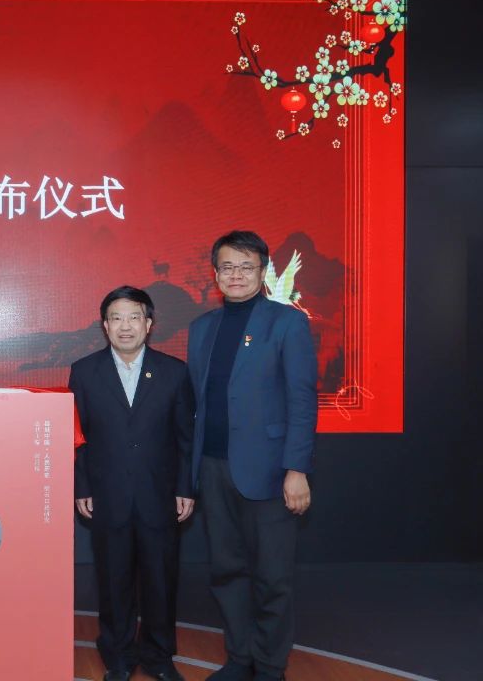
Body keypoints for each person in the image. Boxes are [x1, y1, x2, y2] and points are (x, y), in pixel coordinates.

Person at [187, 231, 317, 681]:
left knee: (272, 577)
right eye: (227, 267)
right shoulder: (202, 328)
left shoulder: (287, 323)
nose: (236, 275)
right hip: (212, 467)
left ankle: (270, 665)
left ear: (262, 272)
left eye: (246, 267)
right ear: (215, 273)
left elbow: (302, 400)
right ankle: (239, 658)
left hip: (270, 471)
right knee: (227, 571)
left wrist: (296, 469)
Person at [70, 286, 194, 681]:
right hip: (107, 495)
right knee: (114, 579)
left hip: (160, 494)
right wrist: (83, 487)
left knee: (160, 579)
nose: (126, 326)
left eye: (134, 317)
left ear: (149, 324)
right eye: (117, 318)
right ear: (105, 326)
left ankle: (159, 655)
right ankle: (118, 655)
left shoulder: (174, 372)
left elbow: (185, 438)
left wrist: (185, 487)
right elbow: (78, 437)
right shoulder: (84, 371)